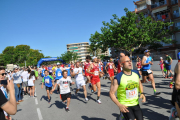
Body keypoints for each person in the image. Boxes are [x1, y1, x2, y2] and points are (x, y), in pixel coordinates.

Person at [109, 56, 146, 120]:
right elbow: (111, 93)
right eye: (127, 61)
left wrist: (142, 93)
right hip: (125, 105)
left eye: (130, 61)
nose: (130, 62)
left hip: (135, 103)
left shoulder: (136, 73)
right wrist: (120, 105)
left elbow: (139, 83)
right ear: (121, 64)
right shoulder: (118, 77)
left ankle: (122, 116)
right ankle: (122, 114)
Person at [169, 53, 180, 119]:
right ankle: (175, 112)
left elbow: (175, 76)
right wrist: (172, 82)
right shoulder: (179, 65)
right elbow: (178, 84)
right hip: (178, 90)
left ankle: (176, 113)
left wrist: (171, 81)